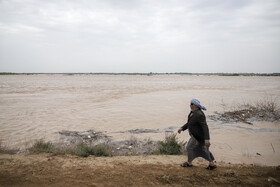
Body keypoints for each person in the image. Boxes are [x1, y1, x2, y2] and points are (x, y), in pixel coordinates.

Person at [178, 98, 217, 170]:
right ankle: (211, 164)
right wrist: (182, 128)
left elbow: (205, 127)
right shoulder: (193, 112)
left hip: (198, 136)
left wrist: (207, 140)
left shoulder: (199, 114)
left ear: (196, 105)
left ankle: (190, 163)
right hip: (195, 135)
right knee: (202, 149)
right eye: (190, 103)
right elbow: (189, 123)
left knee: (190, 147)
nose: (190, 105)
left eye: (191, 104)